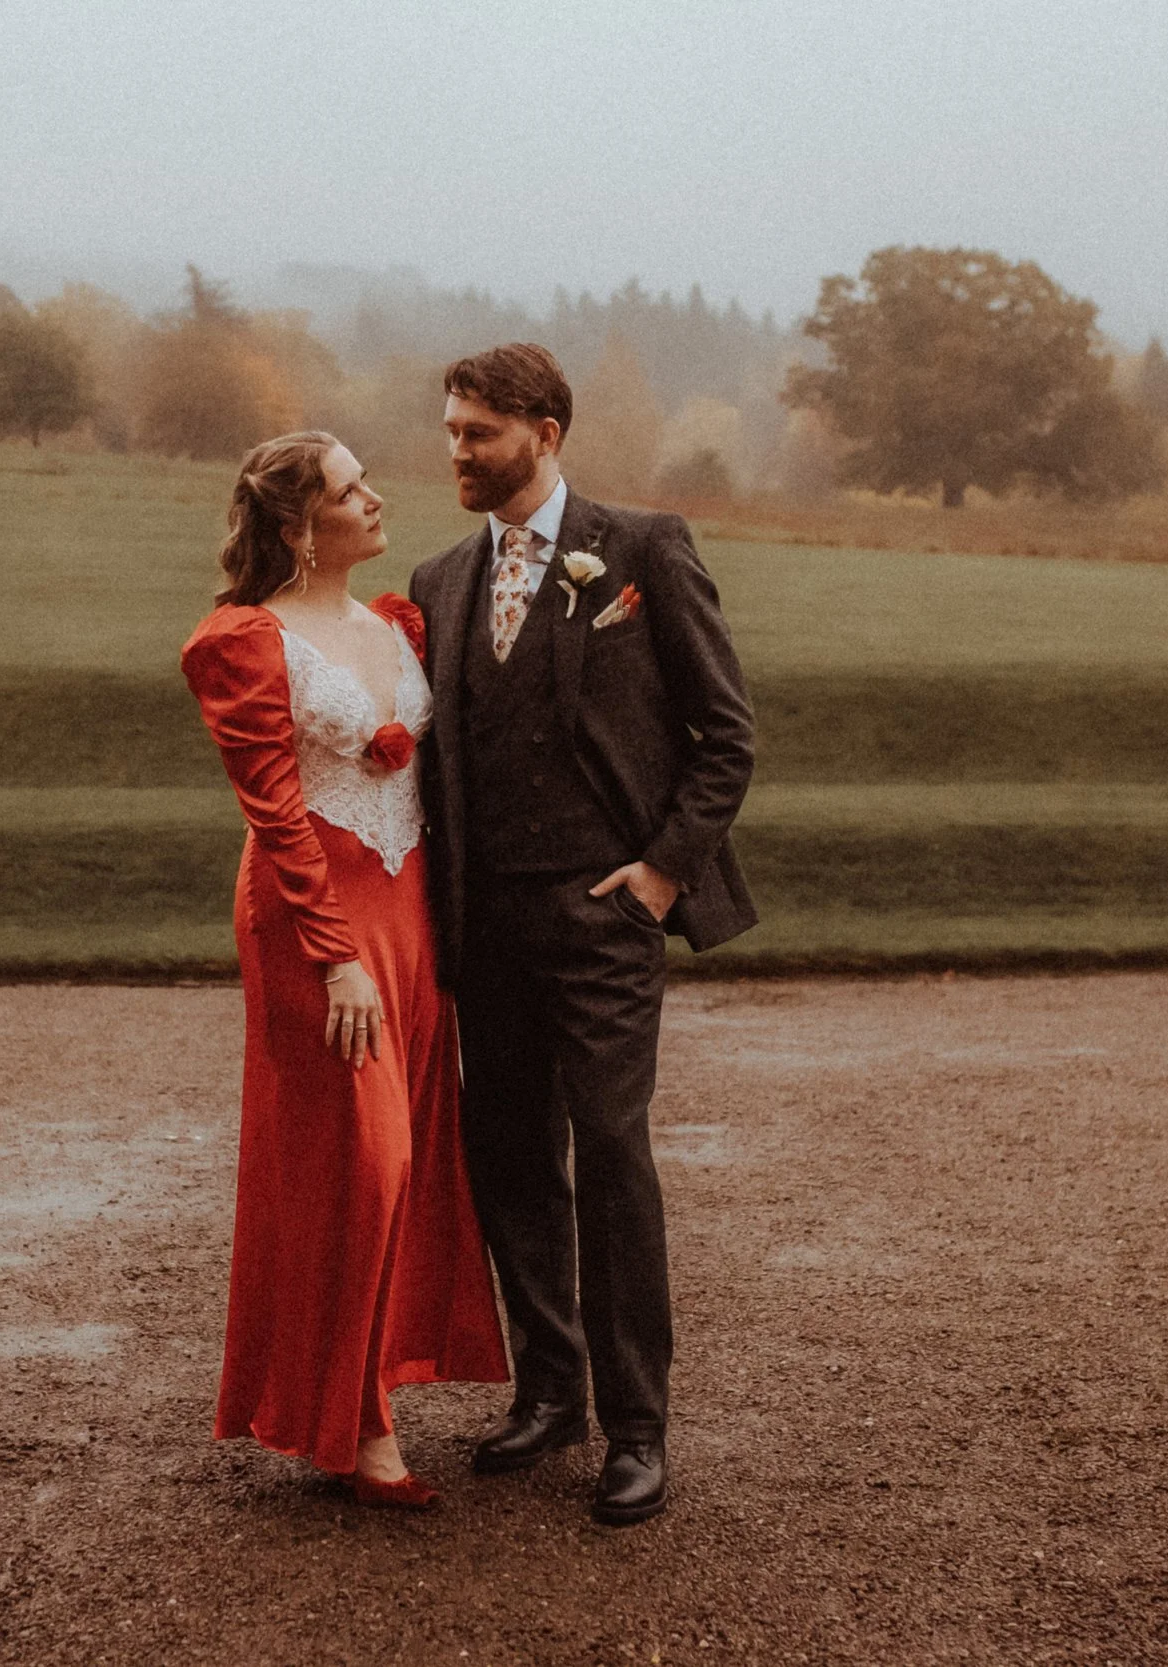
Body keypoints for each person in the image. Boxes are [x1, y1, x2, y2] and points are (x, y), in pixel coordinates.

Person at [407, 345, 757, 1526]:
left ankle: (637, 1427)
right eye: (450, 430)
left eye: (478, 433)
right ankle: (548, 1389)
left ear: (544, 431)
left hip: (605, 918)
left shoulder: (643, 550)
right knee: (508, 1157)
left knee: (610, 1156)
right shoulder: (439, 577)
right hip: (487, 926)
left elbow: (726, 735)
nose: (456, 451)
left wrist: (660, 872)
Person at [180, 430, 507, 1510]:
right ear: (295, 525)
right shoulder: (241, 641)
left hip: (407, 912)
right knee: (360, 1160)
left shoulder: (395, 622)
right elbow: (272, 811)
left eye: (365, 481)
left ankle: (367, 1397)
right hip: (313, 920)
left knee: (409, 1161)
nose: (376, 498)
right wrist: (332, 960)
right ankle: (353, 1423)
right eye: (348, 489)